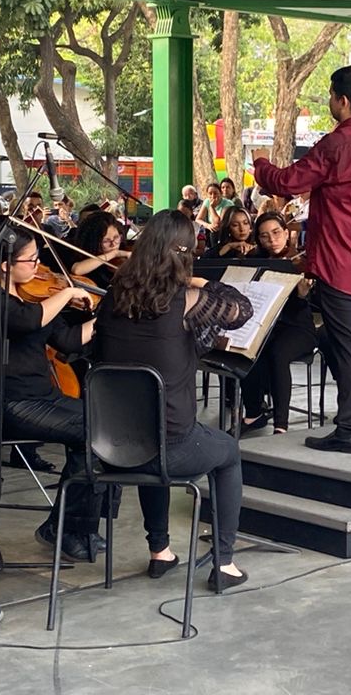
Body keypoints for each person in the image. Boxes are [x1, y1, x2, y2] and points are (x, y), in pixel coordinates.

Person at [91, 210, 253, 589]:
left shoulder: (113, 297)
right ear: (184, 253)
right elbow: (240, 309)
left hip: (107, 447)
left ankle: (159, 550)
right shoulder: (187, 299)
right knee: (227, 452)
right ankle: (225, 563)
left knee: (146, 431)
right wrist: (198, 279)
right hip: (169, 448)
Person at [252, 64, 351, 454]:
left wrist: (260, 164)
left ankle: (349, 429)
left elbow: (286, 183)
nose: (329, 102)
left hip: (341, 263)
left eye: (330, 96)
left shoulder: (335, 145)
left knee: (349, 346)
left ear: (342, 100)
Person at [0, 224, 100, 559]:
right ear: (6, 265)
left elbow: (66, 340)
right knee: (95, 435)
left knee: (109, 428)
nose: (39, 266)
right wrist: (67, 293)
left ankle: (78, 525)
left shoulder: (30, 295)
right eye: (32, 259)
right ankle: (65, 528)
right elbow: (27, 321)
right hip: (7, 402)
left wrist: (107, 317)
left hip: (42, 395)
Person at [236, 212, 317, 434]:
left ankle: (281, 424)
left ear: (285, 232)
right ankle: (254, 413)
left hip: (298, 328)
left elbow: (311, 305)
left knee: (278, 354)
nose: (272, 240)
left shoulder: (299, 261)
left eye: (276, 233)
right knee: (248, 347)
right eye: (264, 236)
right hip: (266, 325)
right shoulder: (254, 260)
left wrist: (301, 295)